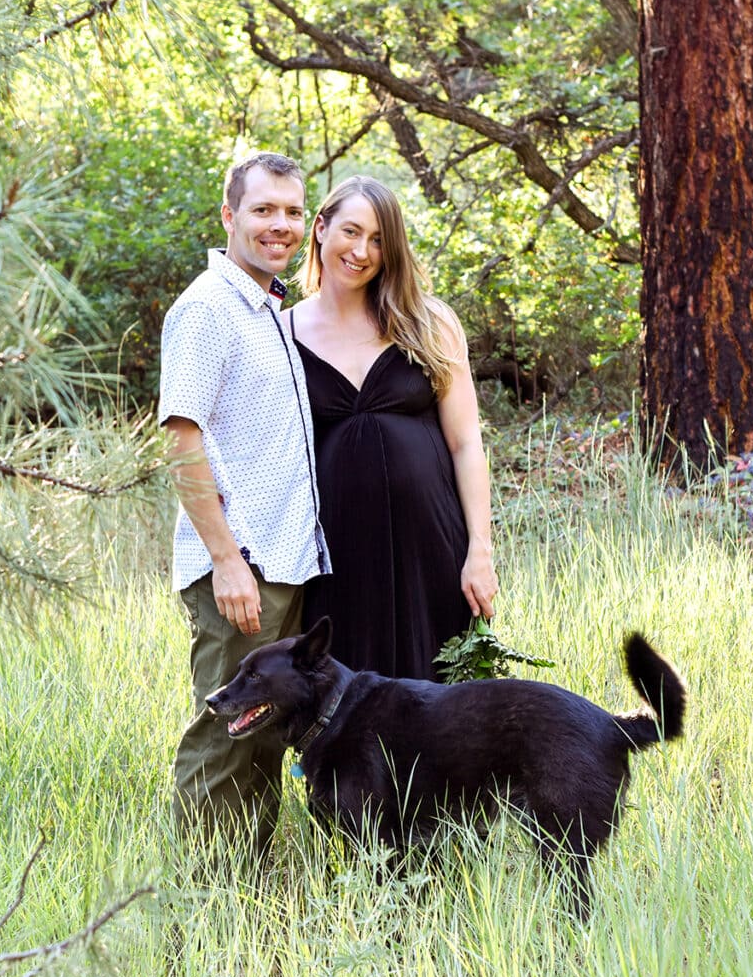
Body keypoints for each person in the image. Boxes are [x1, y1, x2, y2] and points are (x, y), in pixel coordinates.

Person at [158, 152, 330, 864]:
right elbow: (181, 436)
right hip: (242, 564)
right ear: (230, 216)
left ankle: (245, 891)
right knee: (222, 733)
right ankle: (202, 899)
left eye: (292, 212)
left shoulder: (266, 309)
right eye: (263, 210)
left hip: (284, 562)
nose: (279, 225)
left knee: (260, 732)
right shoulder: (206, 309)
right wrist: (228, 561)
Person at [286, 175, 498, 680]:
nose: (362, 251)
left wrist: (480, 551)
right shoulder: (282, 329)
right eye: (352, 232)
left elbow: (467, 443)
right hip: (337, 551)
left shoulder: (428, 322)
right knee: (343, 706)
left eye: (379, 239)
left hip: (431, 542)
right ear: (320, 228)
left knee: (447, 705)